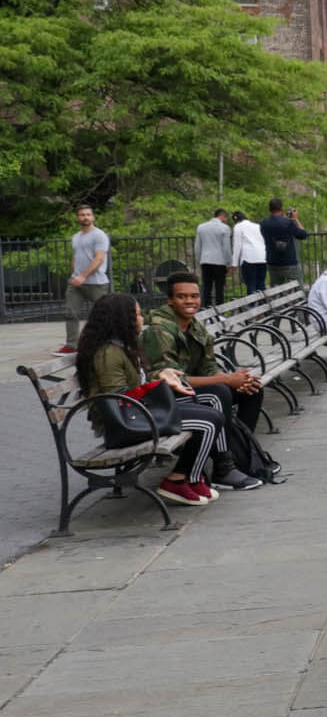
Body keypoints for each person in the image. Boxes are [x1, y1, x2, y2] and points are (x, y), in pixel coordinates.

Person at [75, 292, 246, 506]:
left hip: (138, 412)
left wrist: (162, 374)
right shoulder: (109, 353)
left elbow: (136, 384)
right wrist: (157, 386)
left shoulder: (123, 346)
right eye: (136, 315)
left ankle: (189, 478)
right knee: (208, 422)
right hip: (123, 423)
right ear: (121, 319)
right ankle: (180, 480)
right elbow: (117, 396)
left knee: (212, 410)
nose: (142, 319)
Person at [143, 272, 277, 486]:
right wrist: (225, 380)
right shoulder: (159, 330)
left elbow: (209, 366)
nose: (190, 301)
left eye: (194, 296)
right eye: (182, 296)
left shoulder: (194, 325)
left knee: (251, 389)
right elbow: (172, 380)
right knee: (219, 393)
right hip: (166, 398)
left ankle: (243, 456)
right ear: (170, 300)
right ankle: (224, 468)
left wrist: (236, 379)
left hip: (192, 391)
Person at [60, 204, 111, 354]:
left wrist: (83, 276)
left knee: (104, 314)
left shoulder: (99, 235)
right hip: (76, 283)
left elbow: (99, 258)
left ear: (93, 217)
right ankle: (71, 345)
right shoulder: (75, 237)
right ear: (78, 218)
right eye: (82, 215)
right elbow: (76, 257)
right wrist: (74, 275)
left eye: (88, 214)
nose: (85, 217)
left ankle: (107, 342)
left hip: (97, 283)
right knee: (70, 313)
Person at [259, 198, 310, 286]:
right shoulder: (288, 222)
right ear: (282, 208)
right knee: (298, 288)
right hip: (289, 262)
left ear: (270, 209)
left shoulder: (263, 222)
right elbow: (303, 235)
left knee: (276, 291)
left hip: (272, 262)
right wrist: (295, 219)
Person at [195, 207, 233, 308]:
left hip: (205, 261)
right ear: (223, 216)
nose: (226, 220)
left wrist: (199, 260)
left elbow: (198, 247)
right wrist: (229, 264)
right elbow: (226, 248)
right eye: (226, 218)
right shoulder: (225, 228)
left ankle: (205, 311)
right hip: (219, 262)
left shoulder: (201, 227)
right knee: (219, 288)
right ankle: (219, 312)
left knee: (206, 288)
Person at [231, 210, 267, 294]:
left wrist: (234, 263)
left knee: (251, 284)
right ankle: (264, 304)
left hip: (249, 258)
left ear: (236, 220)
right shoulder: (257, 226)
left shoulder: (238, 226)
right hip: (262, 257)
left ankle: (252, 306)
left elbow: (237, 245)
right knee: (261, 284)